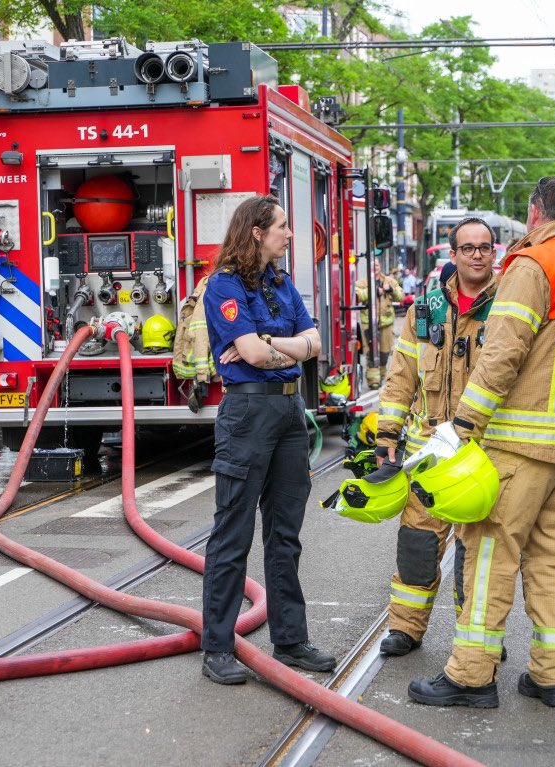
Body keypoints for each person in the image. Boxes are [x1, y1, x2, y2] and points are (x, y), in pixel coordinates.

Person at [408, 177, 555, 709]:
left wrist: (463, 424)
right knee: (554, 561)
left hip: (520, 445)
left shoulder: (532, 265)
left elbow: (502, 352)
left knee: (490, 556)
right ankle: (551, 677)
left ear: (534, 214)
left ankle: (471, 677)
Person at [199, 194, 335, 684]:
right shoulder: (223, 286)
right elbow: (251, 356)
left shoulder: (282, 284)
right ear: (256, 232)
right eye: (282, 225)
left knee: (285, 535)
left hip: (288, 411)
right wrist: (280, 348)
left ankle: (291, 640)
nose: (290, 233)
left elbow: (313, 344)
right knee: (232, 533)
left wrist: (272, 345)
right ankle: (217, 646)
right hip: (249, 412)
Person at [374, 218, 499, 657]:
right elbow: (401, 376)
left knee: (477, 553)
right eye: (468, 248)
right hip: (430, 450)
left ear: (494, 252)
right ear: (454, 254)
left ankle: (477, 637)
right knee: (417, 545)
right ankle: (405, 629)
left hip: (482, 451)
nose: (477, 254)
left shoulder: (507, 309)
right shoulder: (424, 310)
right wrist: (387, 433)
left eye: (484, 247)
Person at [354, 260, 404, 390]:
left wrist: (391, 290)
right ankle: (373, 380)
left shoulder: (389, 280)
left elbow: (401, 296)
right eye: (371, 265)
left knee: (384, 353)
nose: (374, 268)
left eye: (376, 265)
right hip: (368, 323)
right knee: (370, 353)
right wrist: (374, 291)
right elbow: (357, 296)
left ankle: (381, 377)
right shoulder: (362, 282)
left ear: (380, 266)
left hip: (386, 323)